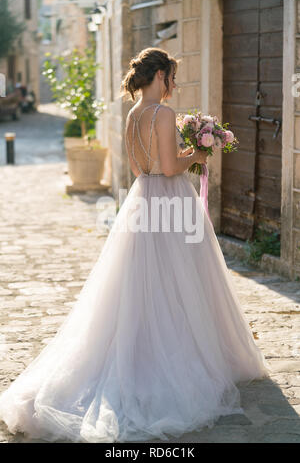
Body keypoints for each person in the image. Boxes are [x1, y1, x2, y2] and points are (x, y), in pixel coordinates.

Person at [0, 47, 271, 443]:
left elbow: (142, 167)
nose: (173, 85)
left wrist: (179, 155)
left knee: (140, 283)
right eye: (172, 77)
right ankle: (171, 359)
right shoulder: (161, 114)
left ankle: (141, 349)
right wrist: (197, 153)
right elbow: (169, 166)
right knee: (179, 281)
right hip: (169, 199)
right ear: (159, 75)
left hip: (142, 199)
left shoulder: (132, 115)